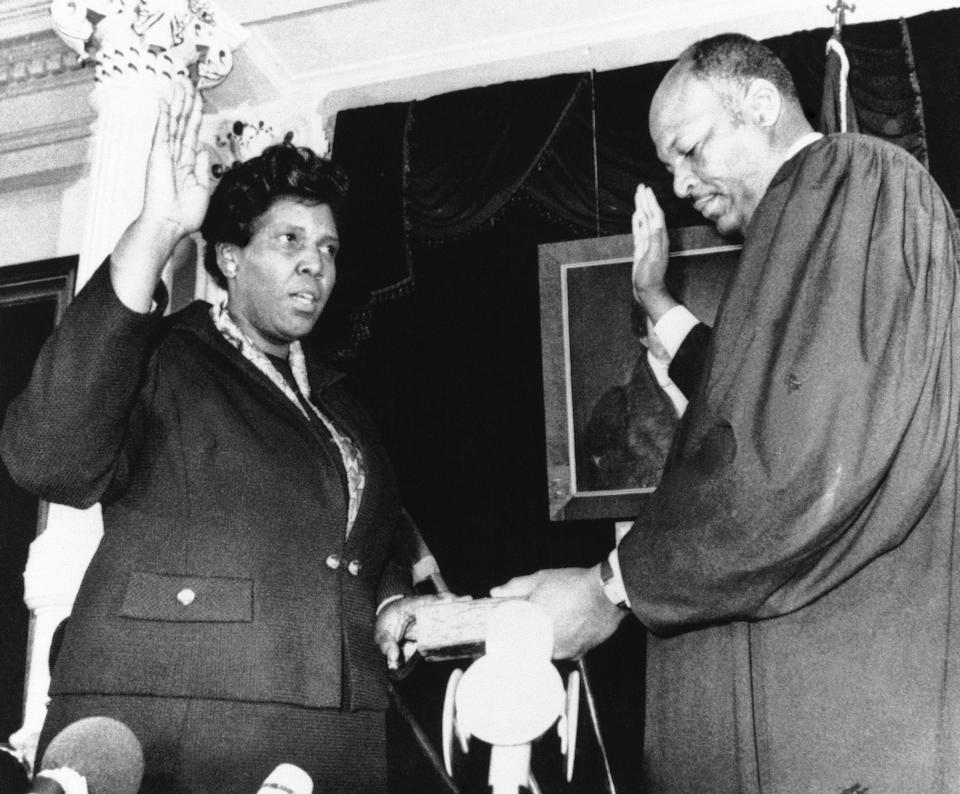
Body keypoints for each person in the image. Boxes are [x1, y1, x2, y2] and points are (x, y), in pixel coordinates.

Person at [493, 33, 960, 793]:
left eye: (689, 149)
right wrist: (656, 303)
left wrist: (608, 587)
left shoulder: (855, 177)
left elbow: (798, 458)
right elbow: (770, 400)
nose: (679, 185)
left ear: (762, 104)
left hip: (845, 703)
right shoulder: (812, 216)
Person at [0, 79, 437, 793]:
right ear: (230, 260)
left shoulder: (341, 402)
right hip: (174, 714)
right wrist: (156, 232)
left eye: (327, 247)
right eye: (289, 240)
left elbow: (363, 541)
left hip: (335, 719)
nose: (314, 263)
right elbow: (46, 457)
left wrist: (389, 602)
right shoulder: (164, 353)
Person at [579, 302, 685, 491]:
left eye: (674, 329)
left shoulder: (702, 384)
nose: (670, 338)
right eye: (659, 330)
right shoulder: (620, 403)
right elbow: (594, 463)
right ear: (643, 337)